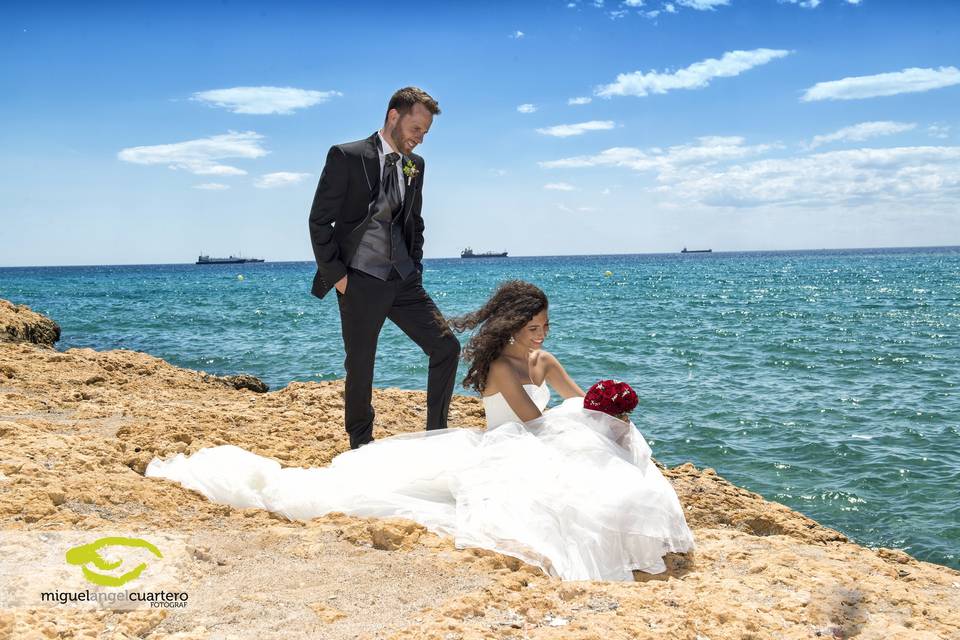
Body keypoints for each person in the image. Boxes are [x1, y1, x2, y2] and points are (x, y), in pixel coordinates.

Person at [145, 281, 694, 581]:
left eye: (545, 328)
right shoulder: (502, 366)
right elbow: (537, 423)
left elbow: (575, 402)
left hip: (543, 441)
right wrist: (590, 425)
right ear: (508, 326)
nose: (539, 337)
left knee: (609, 439)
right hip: (513, 449)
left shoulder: (543, 359)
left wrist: (609, 410)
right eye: (531, 328)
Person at [308, 86, 460, 449]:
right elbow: (319, 221)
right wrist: (339, 278)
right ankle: (360, 444)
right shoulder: (347, 156)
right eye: (416, 128)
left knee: (447, 348)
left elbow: (414, 223)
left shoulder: (415, 166)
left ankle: (435, 435)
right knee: (360, 368)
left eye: (425, 133)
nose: (420, 139)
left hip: (405, 282)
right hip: (359, 280)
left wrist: (416, 268)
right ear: (394, 116)